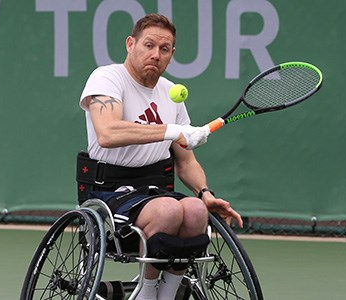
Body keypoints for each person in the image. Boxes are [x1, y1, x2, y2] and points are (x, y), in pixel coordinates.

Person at [77, 14, 243, 300]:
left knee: (195, 212)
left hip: (155, 189)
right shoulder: (107, 77)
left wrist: (204, 193)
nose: (155, 54)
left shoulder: (170, 93)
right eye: (148, 45)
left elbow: (186, 161)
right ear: (131, 44)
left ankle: (167, 293)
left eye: (164, 49)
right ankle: (147, 291)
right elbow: (108, 132)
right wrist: (171, 130)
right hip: (110, 190)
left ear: (171, 54)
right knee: (167, 210)